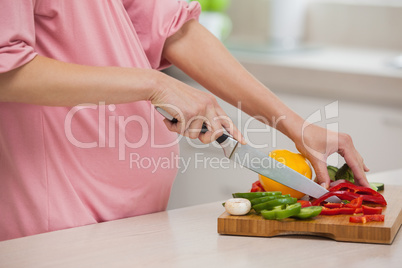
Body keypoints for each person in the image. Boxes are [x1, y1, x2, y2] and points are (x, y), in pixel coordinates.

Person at [0, 0, 369, 241]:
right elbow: (6, 68)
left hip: (143, 221)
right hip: (59, 224)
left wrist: (294, 125)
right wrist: (156, 84)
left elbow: (173, 29)